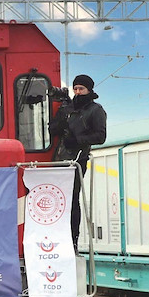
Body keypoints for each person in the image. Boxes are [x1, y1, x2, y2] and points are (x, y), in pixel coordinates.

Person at [49, 74, 107, 250]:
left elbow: (100, 136)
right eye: (75, 89)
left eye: (81, 89)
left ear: (89, 90)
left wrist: (78, 139)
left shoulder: (96, 110)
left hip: (78, 159)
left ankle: (73, 239)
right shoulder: (68, 108)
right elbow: (52, 129)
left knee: (73, 199)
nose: (77, 92)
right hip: (60, 158)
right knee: (58, 199)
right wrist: (62, 115)